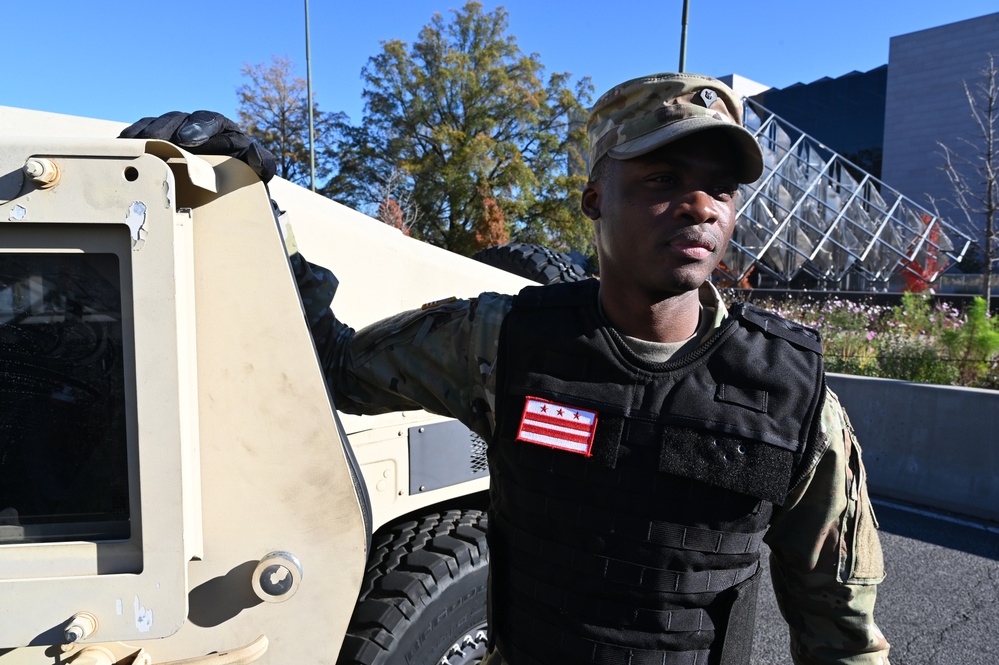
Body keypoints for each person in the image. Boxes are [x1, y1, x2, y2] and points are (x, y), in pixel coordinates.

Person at [122, 72, 890, 665]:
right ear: (594, 198)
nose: (700, 206)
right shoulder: (504, 342)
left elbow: (841, 632)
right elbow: (330, 362)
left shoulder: (790, 395)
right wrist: (254, 207)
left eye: (719, 188)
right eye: (661, 180)